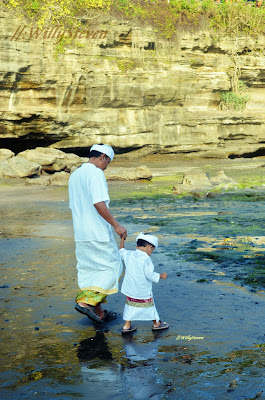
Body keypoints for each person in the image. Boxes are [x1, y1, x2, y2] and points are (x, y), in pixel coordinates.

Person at [68, 143, 127, 323]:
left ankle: (99, 312)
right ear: (103, 157)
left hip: (81, 233)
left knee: (90, 270)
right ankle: (86, 302)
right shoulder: (95, 173)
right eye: (107, 163)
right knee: (113, 267)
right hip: (97, 232)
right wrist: (116, 225)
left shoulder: (75, 175)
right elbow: (98, 203)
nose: (106, 167)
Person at [119, 232, 169, 333]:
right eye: (152, 250)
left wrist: (122, 239)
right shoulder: (146, 259)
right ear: (149, 247)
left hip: (131, 289)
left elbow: (121, 251)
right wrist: (160, 276)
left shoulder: (129, 254)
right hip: (142, 290)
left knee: (130, 306)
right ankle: (156, 323)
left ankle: (127, 325)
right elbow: (149, 275)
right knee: (150, 307)